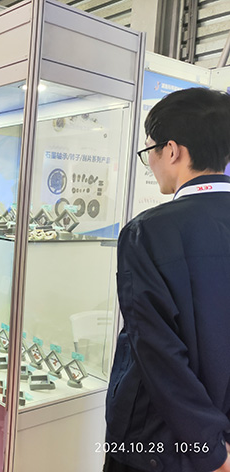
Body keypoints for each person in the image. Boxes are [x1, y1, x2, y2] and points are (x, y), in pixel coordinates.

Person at [104, 87, 230, 472]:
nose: (151, 161)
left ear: (172, 150)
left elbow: (158, 353)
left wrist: (211, 451)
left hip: (157, 445)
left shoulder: (148, 232)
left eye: (150, 150)